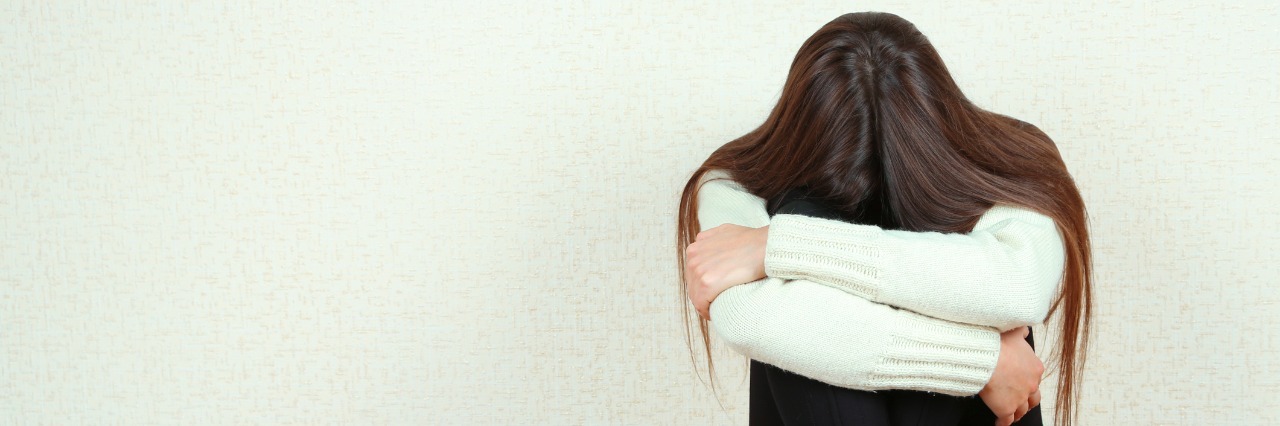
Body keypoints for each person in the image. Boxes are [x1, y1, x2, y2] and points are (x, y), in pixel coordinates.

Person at [675, 12, 1093, 426]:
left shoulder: (1011, 163)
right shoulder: (735, 181)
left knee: (962, 280)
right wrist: (982, 360)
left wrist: (776, 245)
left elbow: (1016, 286)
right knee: (799, 278)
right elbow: (751, 318)